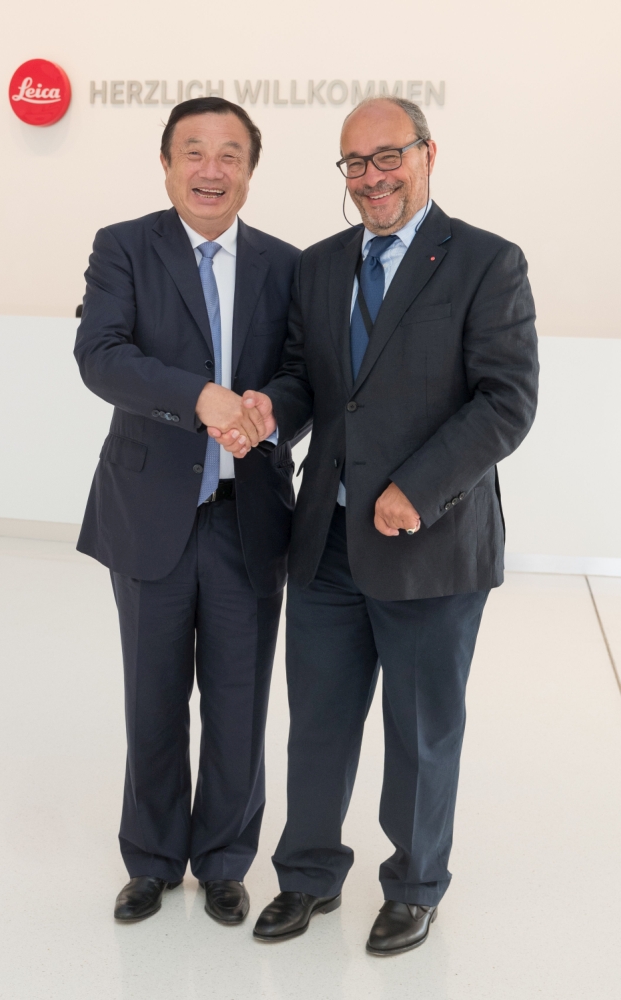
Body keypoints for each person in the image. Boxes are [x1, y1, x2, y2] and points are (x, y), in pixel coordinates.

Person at [214, 96, 539, 954]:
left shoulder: (486, 261)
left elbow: (505, 401)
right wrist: (269, 412)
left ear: (428, 153)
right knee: (318, 722)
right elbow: (306, 380)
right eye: (354, 163)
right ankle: (307, 876)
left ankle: (415, 885)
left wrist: (416, 488)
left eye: (387, 156)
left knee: (420, 731)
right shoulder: (321, 265)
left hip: (431, 545)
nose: (371, 178)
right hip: (324, 541)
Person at [74, 97, 301, 925]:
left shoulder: (285, 264)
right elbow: (101, 356)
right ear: (167, 164)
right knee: (153, 695)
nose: (212, 169)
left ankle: (225, 861)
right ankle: (152, 859)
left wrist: (270, 409)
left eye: (230, 154)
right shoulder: (123, 247)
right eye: (194, 152)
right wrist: (200, 397)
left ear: (250, 170)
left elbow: (303, 373)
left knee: (239, 701)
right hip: (148, 511)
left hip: (249, 516)